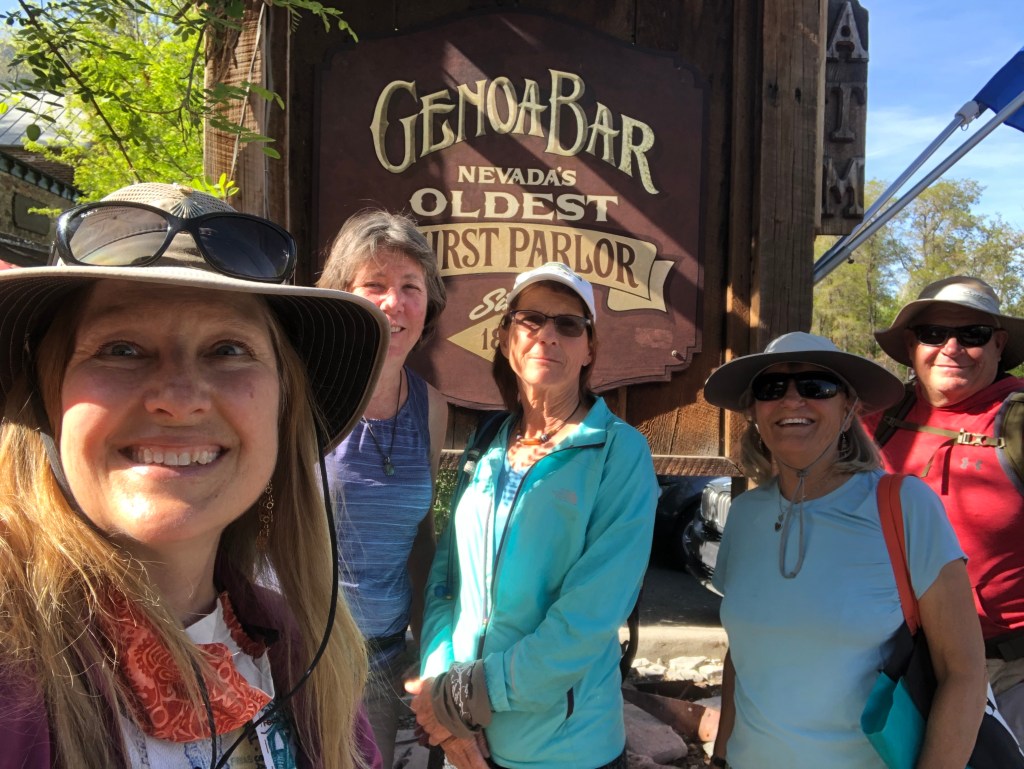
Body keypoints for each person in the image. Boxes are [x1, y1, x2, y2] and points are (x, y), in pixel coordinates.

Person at [0, 182, 387, 769]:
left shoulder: (307, 654)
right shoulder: (14, 653)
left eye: (228, 350)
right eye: (121, 349)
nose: (179, 399)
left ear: (283, 407)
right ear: (45, 398)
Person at [407, 263, 658, 769]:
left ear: (590, 349)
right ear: (505, 339)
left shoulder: (618, 453)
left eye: (569, 324)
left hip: (564, 750)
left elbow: (588, 616)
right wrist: (440, 687)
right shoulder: (486, 443)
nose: (548, 334)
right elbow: (446, 583)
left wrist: (465, 697)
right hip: (463, 735)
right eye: (531, 319)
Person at [703, 331, 987, 769]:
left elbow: (963, 673)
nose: (791, 400)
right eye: (771, 388)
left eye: (816, 386)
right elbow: (742, 655)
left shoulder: (904, 506)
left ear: (849, 406)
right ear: (754, 411)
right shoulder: (744, 514)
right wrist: (721, 756)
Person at [317, 210, 448, 768]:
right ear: (344, 294)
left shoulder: (431, 407)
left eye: (410, 287)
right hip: (303, 656)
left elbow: (420, 540)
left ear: (428, 303)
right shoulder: (306, 393)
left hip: (384, 659)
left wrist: (430, 653)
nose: (394, 303)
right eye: (374, 285)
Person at [867, 275, 1024, 739]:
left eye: (972, 334)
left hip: (1008, 671)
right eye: (933, 333)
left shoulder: (1017, 423)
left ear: (999, 345)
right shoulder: (877, 420)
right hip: (898, 664)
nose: (951, 348)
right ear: (911, 345)